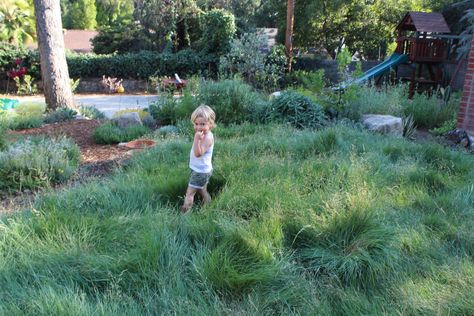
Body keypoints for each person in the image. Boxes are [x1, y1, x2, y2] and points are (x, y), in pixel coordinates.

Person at [181, 105, 216, 213]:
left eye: (202, 124)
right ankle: (209, 207)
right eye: (196, 124)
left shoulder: (208, 137)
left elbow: (198, 153)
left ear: (210, 124)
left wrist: (196, 139)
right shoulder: (203, 135)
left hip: (200, 172)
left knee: (190, 193)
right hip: (201, 170)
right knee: (202, 190)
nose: (198, 127)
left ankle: (184, 215)